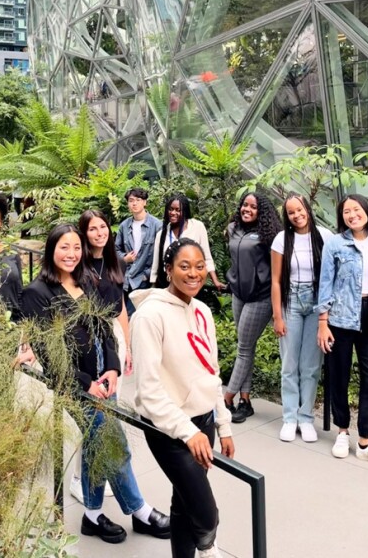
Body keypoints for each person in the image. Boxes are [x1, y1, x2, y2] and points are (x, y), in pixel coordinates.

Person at [18, 224, 171, 545]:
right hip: (76, 385)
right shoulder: (37, 293)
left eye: (76, 247)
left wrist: (113, 369)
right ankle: (139, 510)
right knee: (113, 440)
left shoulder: (86, 280)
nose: (71, 254)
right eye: (64, 247)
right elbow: (49, 353)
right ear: (51, 250)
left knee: (94, 444)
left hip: (106, 377)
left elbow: (105, 327)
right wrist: (87, 384)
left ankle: (91, 515)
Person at [130, 239, 236, 558]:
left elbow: (211, 371)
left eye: (200, 266)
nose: (193, 273)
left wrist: (224, 424)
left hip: (204, 423)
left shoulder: (202, 311)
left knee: (183, 504)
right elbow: (148, 391)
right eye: (184, 266)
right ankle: (207, 547)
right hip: (168, 428)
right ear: (168, 270)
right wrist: (188, 433)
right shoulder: (149, 316)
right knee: (205, 513)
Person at [316, 194, 368, 466]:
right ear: (342, 217)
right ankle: (342, 431)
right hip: (339, 317)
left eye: (356, 209)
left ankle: (365, 441)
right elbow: (325, 283)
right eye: (346, 212)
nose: (352, 215)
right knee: (338, 375)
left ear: (366, 211)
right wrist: (322, 322)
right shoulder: (335, 244)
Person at [270, 194, 333, 442]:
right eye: (291, 212)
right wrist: (277, 315)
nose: (296, 215)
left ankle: (306, 418)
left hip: (317, 304)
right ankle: (289, 417)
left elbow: (330, 276)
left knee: (310, 366)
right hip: (291, 302)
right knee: (289, 364)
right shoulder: (281, 239)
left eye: (300, 210)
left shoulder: (325, 237)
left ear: (307, 209)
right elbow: (275, 280)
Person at [222, 192, 282, 424]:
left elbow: (278, 269)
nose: (247, 209)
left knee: (244, 347)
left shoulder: (270, 235)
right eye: (245, 205)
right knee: (246, 347)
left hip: (261, 296)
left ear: (262, 211)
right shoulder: (233, 228)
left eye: (253, 207)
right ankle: (245, 402)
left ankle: (226, 399)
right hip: (239, 293)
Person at [79, 210, 131, 376]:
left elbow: (120, 306)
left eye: (103, 226)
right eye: (93, 229)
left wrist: (128, 347)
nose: (100, 233)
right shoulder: (77, 265)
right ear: (84, 233)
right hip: (84, 334)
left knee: (112, 392)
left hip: (113, 333)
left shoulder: (118, 263)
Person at [149, 194, 224, 293]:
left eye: (177, 210)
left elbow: (206, 257)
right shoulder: (162, 234)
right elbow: (156, 264)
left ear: (185, 211)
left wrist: (215, 281)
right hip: (167, 283)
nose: (173, 213)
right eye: (170, 209)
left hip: (190, 281)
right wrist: (153, 288)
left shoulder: (197, 227)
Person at [114, 187, 162, 316]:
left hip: (144, 279)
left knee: (139, 316)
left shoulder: (157, 225)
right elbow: (116, 249)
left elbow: (161, 254)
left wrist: (147, 275)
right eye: (131, 200)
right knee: (123, 314)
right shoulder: (124, 226)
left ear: (145, 202)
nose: (134, 203)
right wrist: (124, 258)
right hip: (126, 278)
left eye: (138, 200)